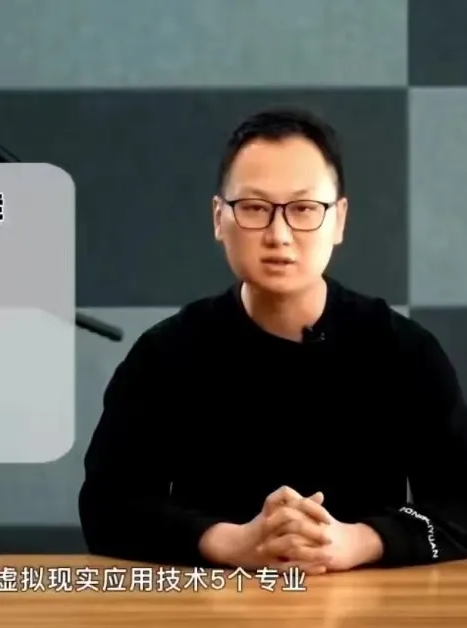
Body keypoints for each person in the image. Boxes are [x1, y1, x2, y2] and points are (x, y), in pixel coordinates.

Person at [78, 108, 467, 574]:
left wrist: (357, 542)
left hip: (367, 601)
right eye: (254, 208)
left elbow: (460, 505)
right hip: (211, 601)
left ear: (339, 220)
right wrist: (230, 543)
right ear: (219, 218)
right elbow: (107, 507)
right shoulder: (166, 354)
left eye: (304, 209)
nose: (279, 235)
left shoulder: (403, 351)